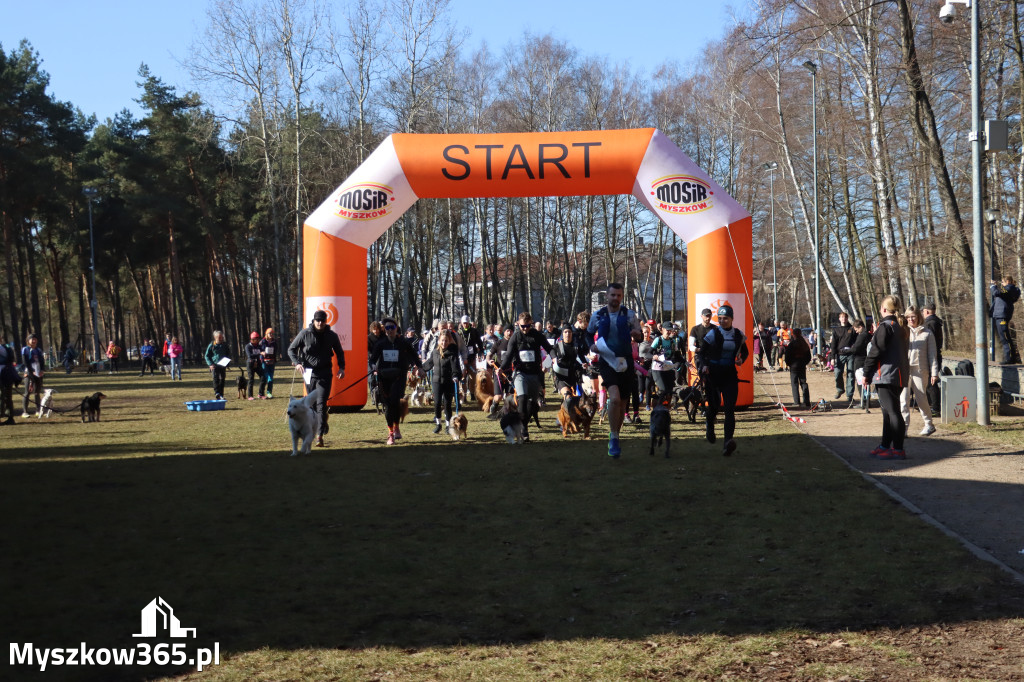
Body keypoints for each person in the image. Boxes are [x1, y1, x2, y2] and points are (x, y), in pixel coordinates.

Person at [586, 283, 641, 458]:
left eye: (619, 295)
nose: (616, 298)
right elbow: (588, 334)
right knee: (615, 399)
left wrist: (637, 334)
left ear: (621, 297)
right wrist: (592, 346)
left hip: (626, 362)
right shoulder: (598, 315)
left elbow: (639, 335)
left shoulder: (629, 314)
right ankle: (614, 437)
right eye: (613, 295)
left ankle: (615, 435)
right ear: (607, 296)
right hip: (607, 361)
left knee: (623, 403)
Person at [289, 310, 346, 447]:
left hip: (325, 373)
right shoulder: (305, 334)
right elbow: (291, 349)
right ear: (314, 321)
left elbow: (339, 352)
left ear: (326, 322)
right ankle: (321, 423)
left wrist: (342, 368)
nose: (320, 323)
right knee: (313, 405)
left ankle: (319, 436)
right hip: (309, 373)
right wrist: (297, 363)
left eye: (322, 321)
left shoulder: (331, 336)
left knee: (321, 404)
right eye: (317, 320)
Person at [862, 295, 909, 460]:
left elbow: (875, 351)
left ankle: (898, 448)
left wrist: (866, 372)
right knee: (888, 412)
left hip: (887, 374)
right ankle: (885, 445)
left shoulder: (886, 327)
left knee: (893, 412)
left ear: (883, 309)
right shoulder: (900, 326)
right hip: (898, 374)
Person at [698, 305, 749, 456]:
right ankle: (710, 425)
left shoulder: (738, 334)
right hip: (713, 374)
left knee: (729, 409)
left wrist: (741, 360)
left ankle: (727, 442)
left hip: (729, 375)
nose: (722, 321)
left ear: (732, 319)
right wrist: (704, 365)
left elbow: (745, 352)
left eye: (725, 318)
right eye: (719, 318)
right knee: (714, 407)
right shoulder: (714, 333)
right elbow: (702, 353)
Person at [500, 311, 554, 443]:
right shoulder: (515, 337)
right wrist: (501, 367)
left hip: (535, 373)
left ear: (531, 324)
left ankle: (523, 424)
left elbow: (549, 348)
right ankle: (523, 430)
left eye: (527, 326)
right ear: (518, 324)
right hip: (520, 373)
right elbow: (508, 355)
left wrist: (554, 358)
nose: (525, 329)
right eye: (522, 326)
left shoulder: (537, 335)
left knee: (532, 404)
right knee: (522, 398)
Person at [369, 317, 421, 445]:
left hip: (399, 376)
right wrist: (374, 367)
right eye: (387, 328)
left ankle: (394, 430)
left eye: (392, 327)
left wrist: (419, 367)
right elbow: (372, 359)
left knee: (395, 402)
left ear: (396, 328)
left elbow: (414, 355)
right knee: (388, 406)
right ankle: (391, 431)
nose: (390, 330)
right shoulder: (380, 343)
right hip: (384, 377)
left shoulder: (403, 342)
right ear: (384, 330)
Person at [902, 306, 938, 437]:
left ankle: (929, 424)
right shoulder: (903, 332)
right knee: (903, 399)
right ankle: (904, 428)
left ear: (918, 317)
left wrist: (934, 373)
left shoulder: (927, 333)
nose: (911, 319)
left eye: (913, 316)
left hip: (920, 370)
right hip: (905, 369)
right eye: (908, 317)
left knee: (921, 398)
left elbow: (932, 355)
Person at [422, 328, 465, 433]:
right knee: (437, 403)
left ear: (449, 341)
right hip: (436, 381)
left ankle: (448, 425)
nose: (444, 343)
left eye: (446, 341)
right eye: (442, 340)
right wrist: (420, 368)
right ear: (439, 341)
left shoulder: (452, 353)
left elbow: (455, 366)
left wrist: (455, 376)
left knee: (447, 404)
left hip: (448, 381)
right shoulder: (435, 352)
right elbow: (429, 363)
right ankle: (438, 424)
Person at [990, 275, 1021, 364]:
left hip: (1002, 315)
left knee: (1005, 337)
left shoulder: (1009, 288)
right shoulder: (1010, 290)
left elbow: (996, 293)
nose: (1002, 284)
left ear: (1007, 282)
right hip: (1002, 314)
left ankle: (1010, 358)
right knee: (1005, 336)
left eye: (1003, 282)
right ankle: (1011, 357)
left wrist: (993, 286)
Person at [550, 325, 585, 400]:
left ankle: (564, 406)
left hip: (573, 376)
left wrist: (584, 363)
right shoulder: (558, 345)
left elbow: (582, 358)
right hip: (561, 377)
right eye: (565, 332)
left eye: (569, 332)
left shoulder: (576, 346)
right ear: (562, 334)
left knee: (573, 400)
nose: (567, 334)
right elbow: (551, 352)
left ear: (572, 333)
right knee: (568, 397)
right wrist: (554, 358)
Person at [921, 301, 943, 415]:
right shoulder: (936, 322)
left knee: (931, 383)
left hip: (932, 356)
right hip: (935, 355)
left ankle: (935, 407)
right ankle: (933, 406)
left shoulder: (931, 323)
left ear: (926, 311)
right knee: (930, 382)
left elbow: (931, 342)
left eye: (923, 311)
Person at [784, 324, 811, 409]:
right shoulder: (804, 344)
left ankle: (796, 401)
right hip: (802, 365)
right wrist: (804, 363)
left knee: (794, 383)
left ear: (794, 335)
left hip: (794, 366)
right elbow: (809, 356)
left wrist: (789, 364)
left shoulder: (792, 344)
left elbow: (787, 356)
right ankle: (807, 401)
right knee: (803, 383)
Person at [830, 312, 855, 399]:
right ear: (839, 319)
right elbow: (833, 344)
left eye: (845, 317)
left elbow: (856, 341)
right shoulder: (836, 330)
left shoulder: (852, 329)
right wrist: (832, 357)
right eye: (842, 317)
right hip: (840, 354)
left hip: (851, 354)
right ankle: (840, 389)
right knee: (837, 373)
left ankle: (849, 395)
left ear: (847, 319)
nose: (844, 319)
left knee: (850, 375)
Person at [848, 319, 871, 412]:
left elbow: (856, 348)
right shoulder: (869, 335)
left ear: (861, 327)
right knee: (866, 381)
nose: (856, 332)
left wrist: (846, 350)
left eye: (856, 329)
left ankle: (863, 401)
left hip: (860, 360)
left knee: (861, 381)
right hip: (866, 360)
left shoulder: (862, 336)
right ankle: (866, 400)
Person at [21, 333, 45, 418]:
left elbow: (42, 361)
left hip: (38, 373)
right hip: (29, 373)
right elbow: (25, 362)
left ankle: (38, 410)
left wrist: (42, 370)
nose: (34, 341)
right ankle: (25, 412)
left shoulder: (38, 350)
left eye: (35, 339)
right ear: (28, 340)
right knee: (27, 392)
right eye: (32, 339)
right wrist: (31, 371)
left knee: (37, 392)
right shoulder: (25, 349)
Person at [204, 331, 231, 400]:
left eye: (222, 337)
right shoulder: (212, 345)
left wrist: (227, 363)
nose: (221, 338)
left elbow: (228, 354)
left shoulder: (225, 345)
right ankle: (217, 393)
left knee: (222, 379)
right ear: (215, 337)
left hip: (223, 365)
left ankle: (221, 394)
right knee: (216, 379)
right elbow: (207, 356)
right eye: (219, 337)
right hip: (214, 365)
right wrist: (210, 364)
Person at [0, 334, 17, 424]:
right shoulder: (7, 348)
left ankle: (9, 417)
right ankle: (9, 417)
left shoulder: (6, 348)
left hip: (6, 374)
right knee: (6, 396)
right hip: (6, 374)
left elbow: (11, 360)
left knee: (6, 396)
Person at [258, 328, 278, 398]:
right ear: (266, 334)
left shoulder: (274, 342)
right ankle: (261, 393)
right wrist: (262, 353)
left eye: (272, 333)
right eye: (270, 333)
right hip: (264, 361)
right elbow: (258, 350)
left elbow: (275, 351)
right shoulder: (262, 342)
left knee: (270, 378)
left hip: (272, 361)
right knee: (265, 378)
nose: (271, 335)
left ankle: (269, 392)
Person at [244, 332, 264, 399]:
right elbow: (250, 355)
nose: (257, 340)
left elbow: (262, 351)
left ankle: (261, 394)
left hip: (258, 363)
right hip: (250, 364)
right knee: (251, 379)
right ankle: (250, 396)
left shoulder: (259, 346)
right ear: (252, 339)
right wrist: (260, 353)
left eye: (258, 339)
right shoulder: (248, 346)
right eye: (256, 339)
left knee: (263, 377)